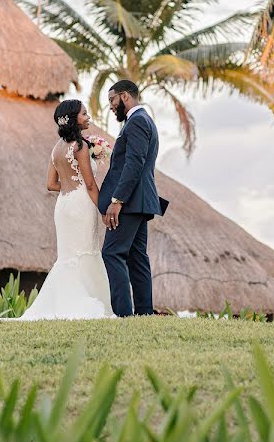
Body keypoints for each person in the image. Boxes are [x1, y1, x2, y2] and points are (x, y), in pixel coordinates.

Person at [18, 99, 114, 320]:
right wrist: (102, 209)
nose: (88, 117)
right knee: (86, 252)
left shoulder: (56, 148)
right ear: (73, 119)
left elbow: (51, 184)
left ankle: (61, 303)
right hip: (81, 204)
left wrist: (70, 186)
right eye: (84, 114)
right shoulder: (80, 146)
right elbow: (90, 184)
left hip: (63, 205)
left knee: (68, 256)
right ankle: (84, 302)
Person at [98, 80, 168, 317]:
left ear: (125, 97)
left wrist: (117, 200)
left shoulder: (137, 122)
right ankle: (144, 313)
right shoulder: (144, 121)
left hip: (129, 202)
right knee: (137, 257)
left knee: (112, 253)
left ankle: (123, 315)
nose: (110, 106)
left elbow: (134, 163)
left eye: (112, 100)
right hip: (140, 201)